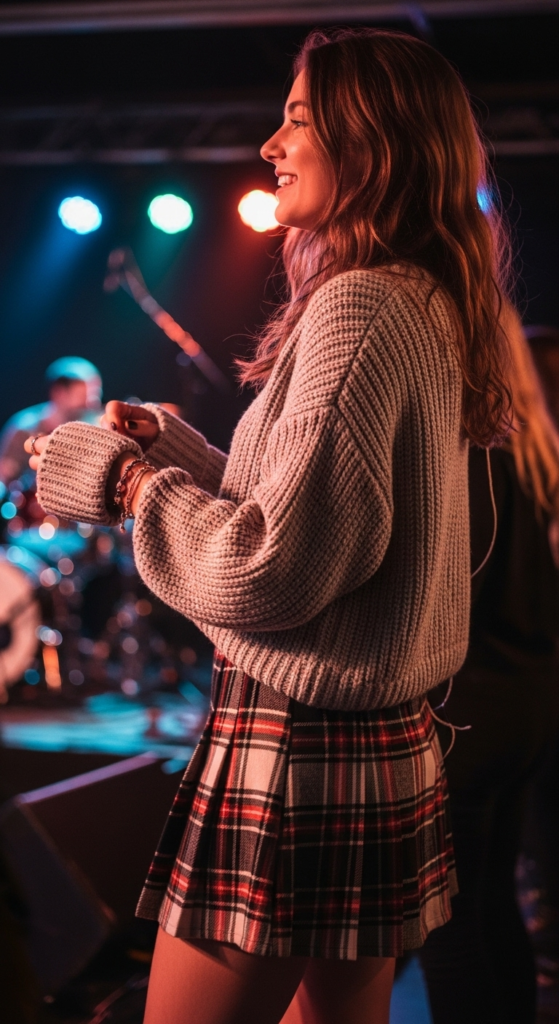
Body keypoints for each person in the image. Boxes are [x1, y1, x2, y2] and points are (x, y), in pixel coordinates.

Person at [26, 28, 512, 1024]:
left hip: (295, 746)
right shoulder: (411, 296)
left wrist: (121, 482)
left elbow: (270, 570)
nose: (269, 144)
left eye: (296, 118)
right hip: (367, 740)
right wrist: (177, 450)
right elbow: (323, 517)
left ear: (367, 139)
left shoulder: (359, 308)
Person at [419, 308, 559, 1024]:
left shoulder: (474, 446)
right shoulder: (537, 446)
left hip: (474, 705)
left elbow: (451, 589)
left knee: (448, 929)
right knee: (495, 902)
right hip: (531, 697)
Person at [0, 356, 102, 485]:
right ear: (58, 393)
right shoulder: (24, 429)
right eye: (84, 396)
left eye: (95, 395)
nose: (92, 404)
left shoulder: (96, 426)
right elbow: (5, 478)